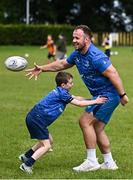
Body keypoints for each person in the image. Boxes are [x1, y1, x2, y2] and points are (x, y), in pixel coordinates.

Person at [26, 25, 129, 172]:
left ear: (86, 39)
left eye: (77, 37)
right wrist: (42, 68)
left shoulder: (96, 56)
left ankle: (91, 161)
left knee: (84, 121)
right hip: (101, 95)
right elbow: (62, 64)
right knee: (97, 129)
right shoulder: (77, 54)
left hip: (108, 95)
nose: (73, 40)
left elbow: (113, 73)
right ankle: (109, 163)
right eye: (73, 37)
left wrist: (122, 95)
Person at [19, 71, 107, 174]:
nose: (72, 84)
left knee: (48, 141)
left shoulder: (62, 92)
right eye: (70, 83)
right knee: (46, 146)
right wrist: (95, 102)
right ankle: (27, 165)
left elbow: (77, 98)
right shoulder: (62, 94)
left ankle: (26, 156)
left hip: (35, 118)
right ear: (63, 85)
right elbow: (78, 103)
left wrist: (92, 99)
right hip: (37, 119)